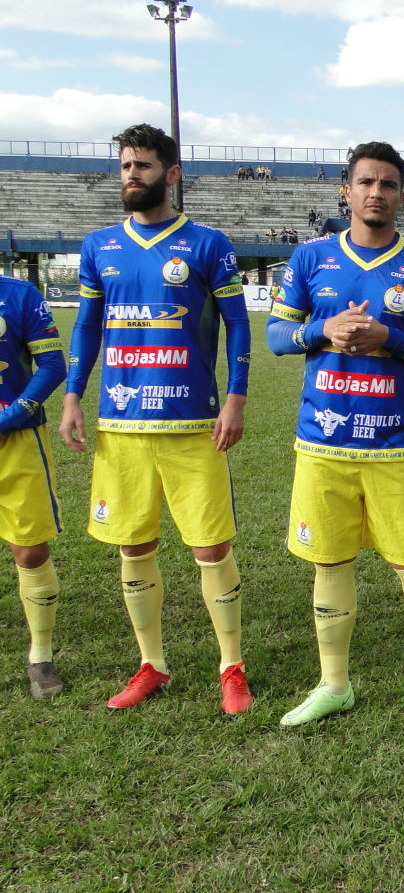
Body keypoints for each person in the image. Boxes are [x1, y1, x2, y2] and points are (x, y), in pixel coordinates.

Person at [267, 141, 404, 728]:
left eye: (388, 184)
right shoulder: (310, 259)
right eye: (366, 182)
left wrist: (389, 339)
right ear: (347, 190)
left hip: (393, 444)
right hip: (322, 443)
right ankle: (334, 683)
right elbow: (277, 339)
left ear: (402, 195)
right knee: (329, 565)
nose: (376, 193)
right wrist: (323, 329)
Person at [60, 123, 252, 713]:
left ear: (171, 174)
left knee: (210, 549)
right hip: (121, 425)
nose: (131, 176)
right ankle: (151, 664)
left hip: (193, 424)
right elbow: (88, 327)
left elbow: (238, 323)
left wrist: (236, 397)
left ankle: (231, 667)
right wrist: (72, 396)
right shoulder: (99, 247)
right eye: (124, 166)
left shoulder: (207, 243)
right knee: (134, 547)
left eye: (142, 166)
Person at [1, 276, 67, 698]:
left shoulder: (19, 295)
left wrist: (8, 419)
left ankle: (40, 657)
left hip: (16, 441)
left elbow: (52, 366)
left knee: (30, 548)